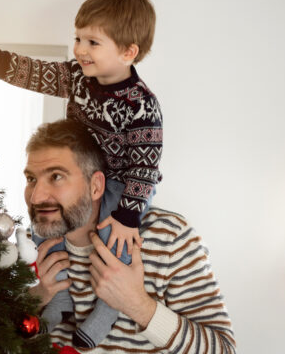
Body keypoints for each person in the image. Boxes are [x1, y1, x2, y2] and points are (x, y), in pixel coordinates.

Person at [0, 0, 161, 347]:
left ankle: (106, 312)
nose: (79, 50)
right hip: (81, 174)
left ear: (127, 51)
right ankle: (58, 297)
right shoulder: (77, 77)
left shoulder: (142, 105)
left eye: (92, 42)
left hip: (124, 182)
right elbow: (35, 73)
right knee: (45, 221)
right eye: (78, 38)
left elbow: (146, 167)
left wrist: (127, 216)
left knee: (115, 241)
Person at [23, 119, 235, 353]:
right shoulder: (27, 247)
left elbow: (224, 350)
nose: (36, 197)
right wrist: (37, 298)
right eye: (31, 179)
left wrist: (137, 304)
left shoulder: (168, 238)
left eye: (56, 177)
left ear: (96, 186)